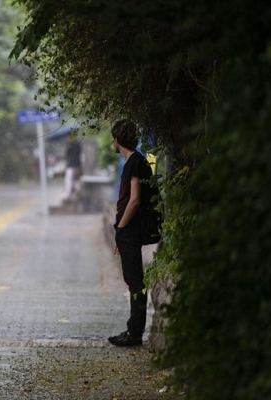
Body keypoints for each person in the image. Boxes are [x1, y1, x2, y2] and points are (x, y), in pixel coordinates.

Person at [108, 120, 157, 347]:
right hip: (128, 230)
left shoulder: (135, 162)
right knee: (133, 280)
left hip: (131, 228)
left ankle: (134, 333)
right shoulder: (135, 161)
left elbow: (135, 199)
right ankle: (134, 330)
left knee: (135, 281)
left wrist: (121, 227)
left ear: (117, 140)